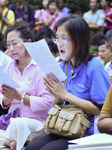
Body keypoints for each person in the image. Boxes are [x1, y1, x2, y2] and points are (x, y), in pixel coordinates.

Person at [25, 14, 110, 150]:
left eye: (64, 38)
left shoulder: (94, 67)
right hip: (63, 127)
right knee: (31, 148)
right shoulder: (61, 66)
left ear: (79, 40)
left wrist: (65, 94)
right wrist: (56, 95)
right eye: (57, 38)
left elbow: (100, 110)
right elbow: (56, 103)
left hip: (85, 133)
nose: (59, 43)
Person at [0, 21, 53, 150]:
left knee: (19, 124)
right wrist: (6, 99)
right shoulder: (9, 66)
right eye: (8, 45)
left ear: (28, 43)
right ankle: (9, 141)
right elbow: (3, 99)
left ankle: (9, 141)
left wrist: (20, 96)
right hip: (12, 120)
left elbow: (47, 102)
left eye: (14, 43)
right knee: (15, 123)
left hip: (36, 123)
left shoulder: (40, 67)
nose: (11, 49)